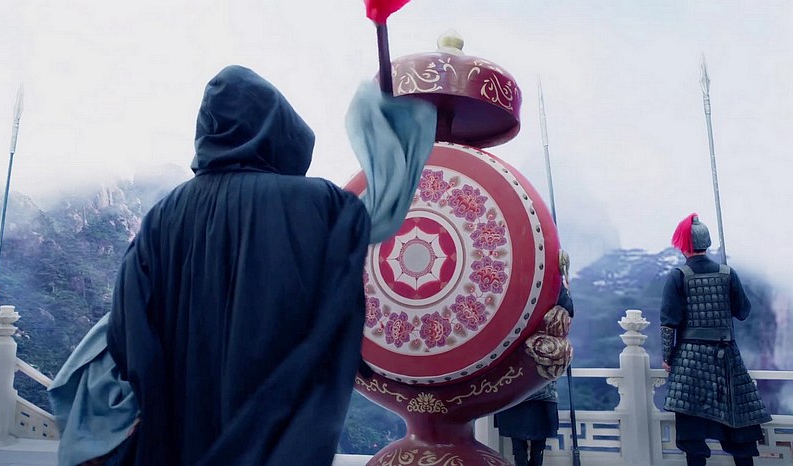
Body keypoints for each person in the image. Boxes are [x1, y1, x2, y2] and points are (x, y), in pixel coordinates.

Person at [48, 65, 435, 466]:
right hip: (276, 437)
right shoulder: (317, 204)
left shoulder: (163, 215)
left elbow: (128, 328)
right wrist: (392, 131)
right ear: (278, 125)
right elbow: (376, 213)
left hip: (180, 435)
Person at [660, 213, 771, 466]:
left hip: (690, 361)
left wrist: (667, 357)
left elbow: (668, 323)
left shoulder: (678, 276)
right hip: (726, 358)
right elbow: (742, 311)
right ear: (706, 243)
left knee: (692, 431)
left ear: (683, 245)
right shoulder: (727, 273)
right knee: (739, 424)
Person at [495, 285, 574, 466]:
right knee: (521, 441)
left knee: (534, 439)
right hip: (519, 365)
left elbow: (567, 310)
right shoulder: (510, 288)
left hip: (537, 362)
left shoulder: (551, 285)